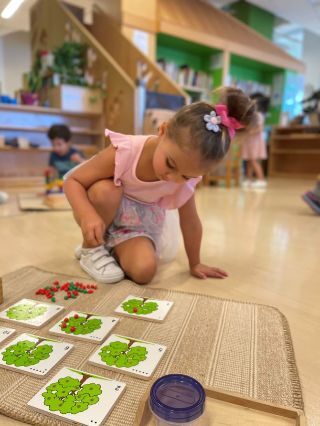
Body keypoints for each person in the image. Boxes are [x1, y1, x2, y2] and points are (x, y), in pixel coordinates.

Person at [64, 87, 257, 285]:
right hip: (101, 210)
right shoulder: (126, 151)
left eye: (186, 176)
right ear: (163, 131)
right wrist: (88, 215)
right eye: (170, 164)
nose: (172, 178)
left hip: (137, 227)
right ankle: (90, 249)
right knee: (107, 190)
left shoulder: (184, 179)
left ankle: (110, 248)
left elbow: (190, 221)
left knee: (144, 271)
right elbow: (73, 181)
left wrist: (195, 263)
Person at [241, 93, 269, 189]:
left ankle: (261, 180)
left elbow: (260, 129)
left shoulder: (259, 115)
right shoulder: (249, 115)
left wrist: (249, 132)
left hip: (255, 141)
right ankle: (249, 180)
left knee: (253, 160)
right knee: (248, 161)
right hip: (249, 141)